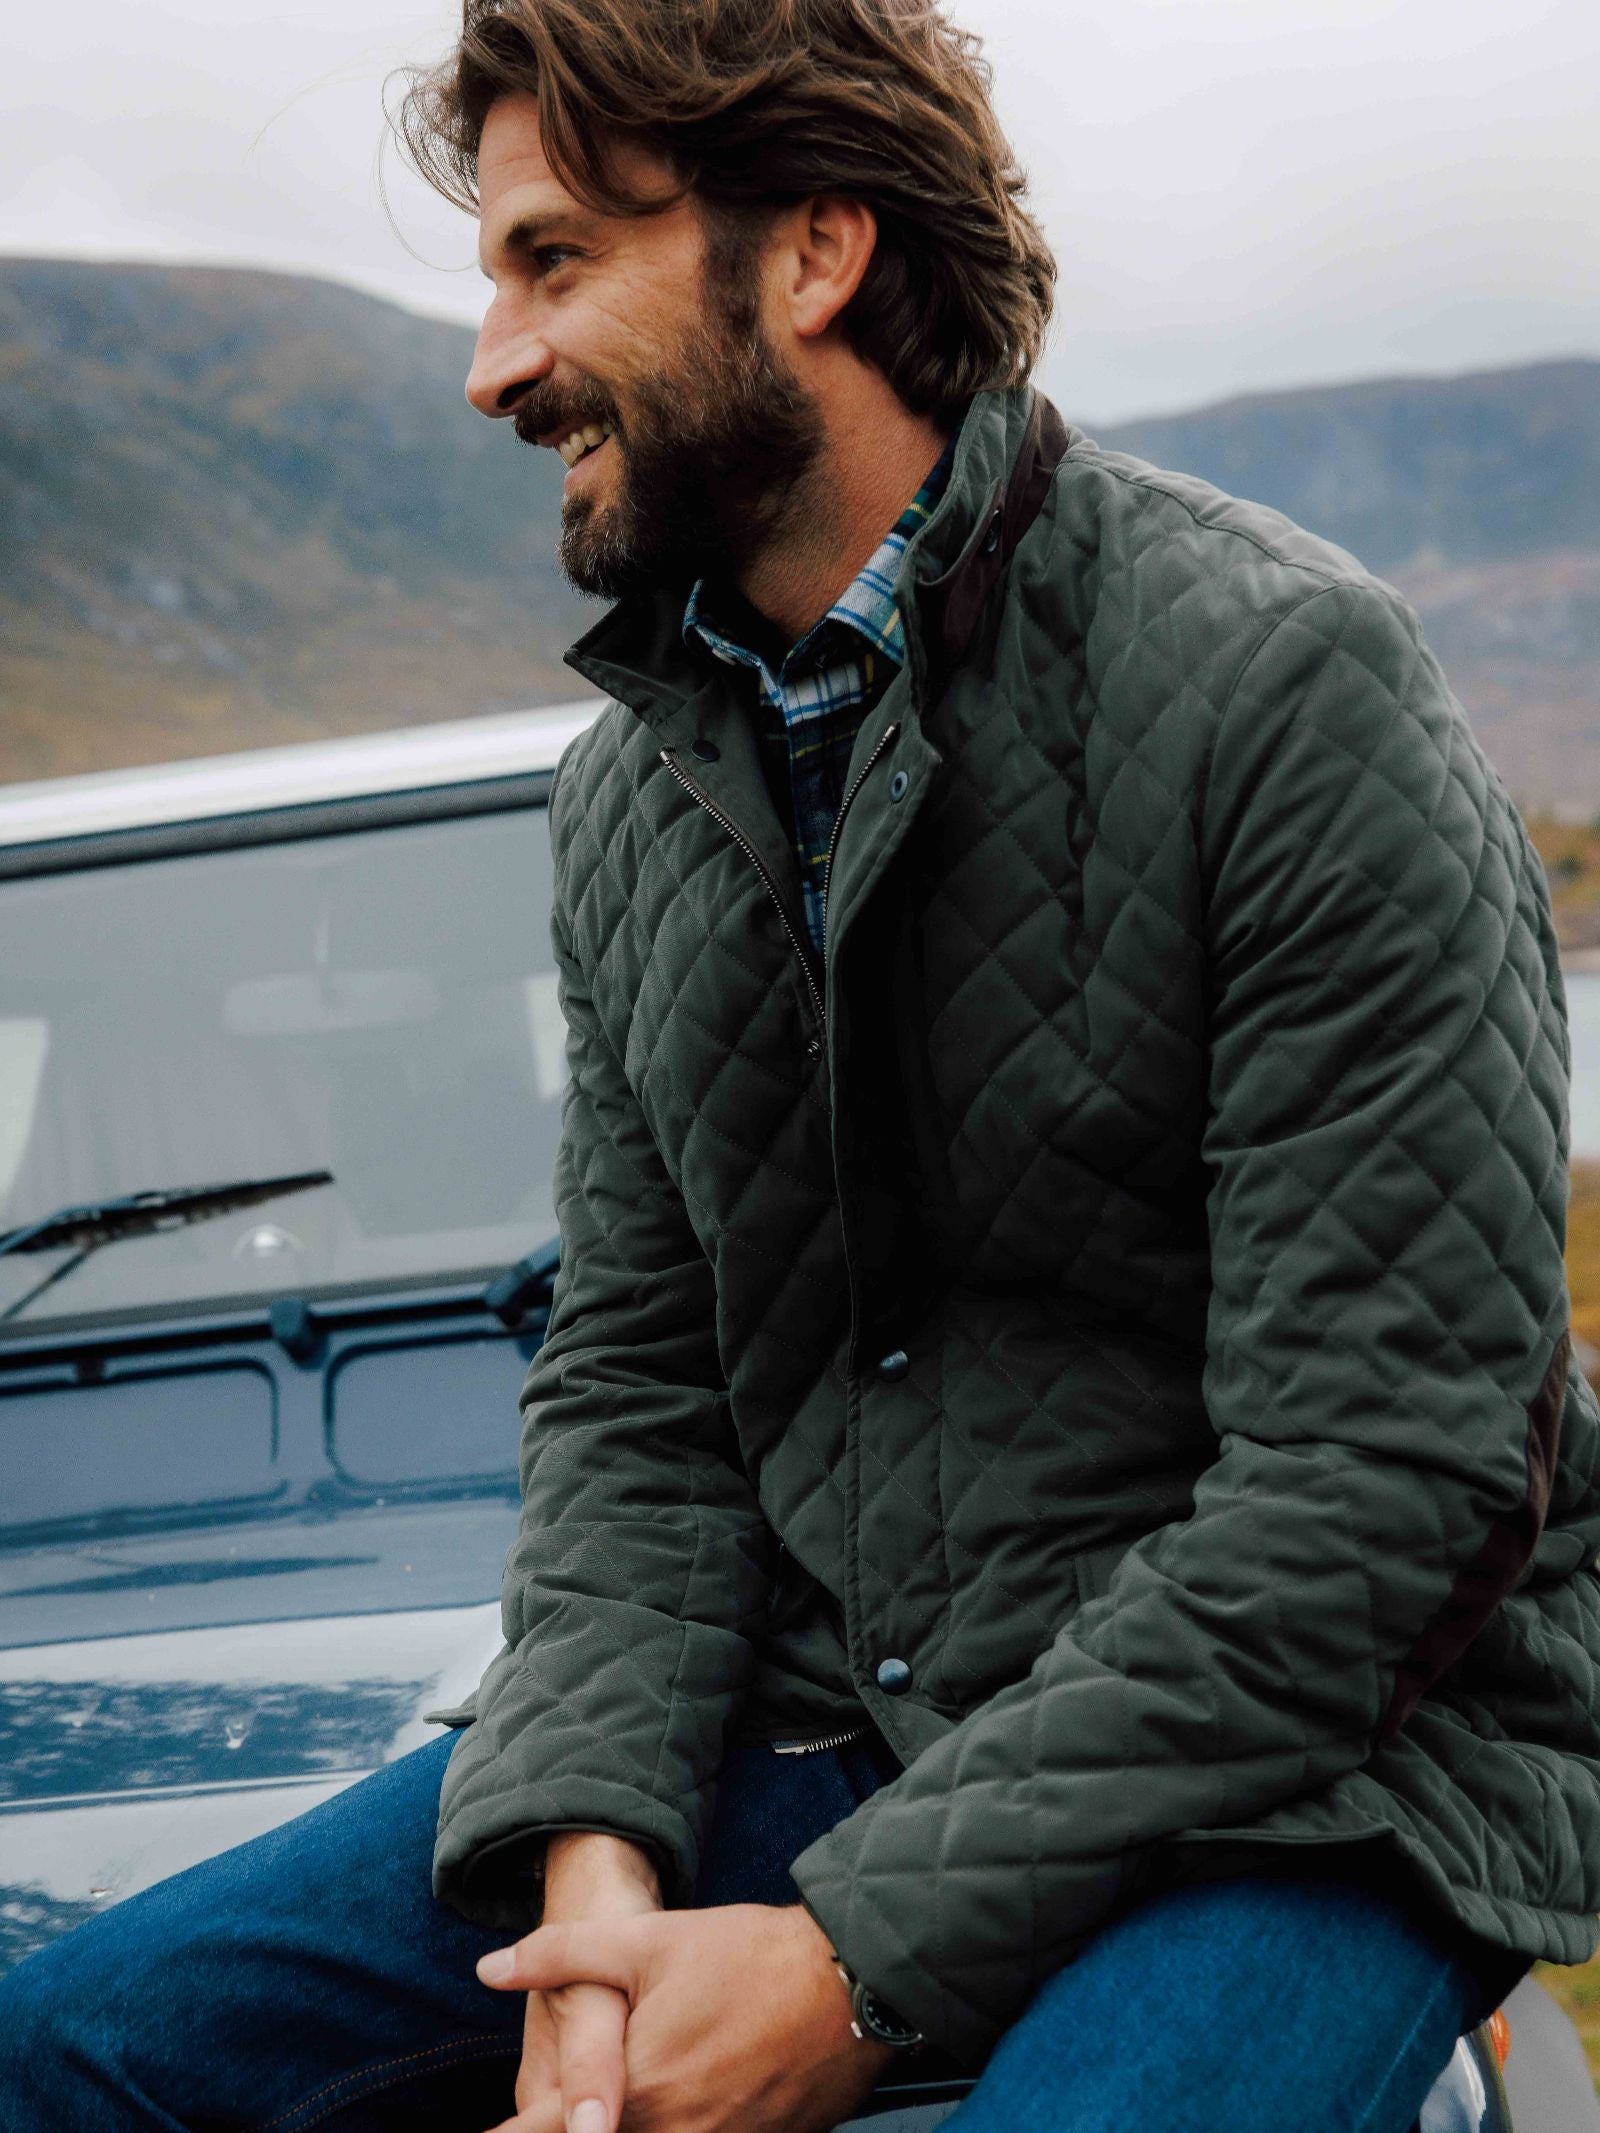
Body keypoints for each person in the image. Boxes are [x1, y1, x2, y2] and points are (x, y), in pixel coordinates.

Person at [4, 2, 1599, 2129]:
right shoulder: (629, 802)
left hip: (1312, 1767)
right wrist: (587, 1868)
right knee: (71, 2049)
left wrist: (848, 1958)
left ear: (815, 253)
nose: (490, 364)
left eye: (551, 260)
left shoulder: (1282, 686)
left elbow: (1380, 1488)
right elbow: (639, 1391)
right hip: (845, 1699)